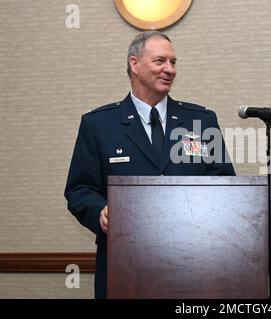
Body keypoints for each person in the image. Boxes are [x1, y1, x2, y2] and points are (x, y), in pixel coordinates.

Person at [64, 31, 235, 299]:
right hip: (124, 267)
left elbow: (225, 186)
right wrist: (101, 213)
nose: (170, 69)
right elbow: (80, 189)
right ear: (135, 64)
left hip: (195, 266)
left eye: (174, 62)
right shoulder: (98, 125)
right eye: (160, 61)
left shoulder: (200, 121)